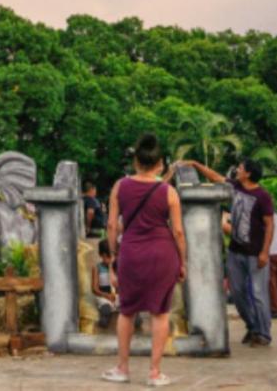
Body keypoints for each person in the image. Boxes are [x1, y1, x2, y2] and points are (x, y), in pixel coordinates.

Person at [102, 133, 186, 387]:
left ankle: (123, 368)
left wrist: (114, 257)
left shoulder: (120, 187)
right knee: (160, 313)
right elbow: (178, 232)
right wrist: (183, 262)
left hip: (131, 253)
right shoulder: (169, 192)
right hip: (163, 254)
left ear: (136, 161)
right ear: (160, 163)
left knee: (126, 312)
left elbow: (111, 225)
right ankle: (154, 373)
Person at [186, 157, 275, 346]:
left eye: (241, 168)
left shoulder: (263, 196)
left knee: (259, 294)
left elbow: (269, 225)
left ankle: (263, 333)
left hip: (255, 252)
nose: (237, 170)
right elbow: (215, 177)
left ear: (248, 173)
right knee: (237, 293)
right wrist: (196, 164)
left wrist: (265, 252)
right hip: (236, 251)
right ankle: (252, 326)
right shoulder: (235, 187)